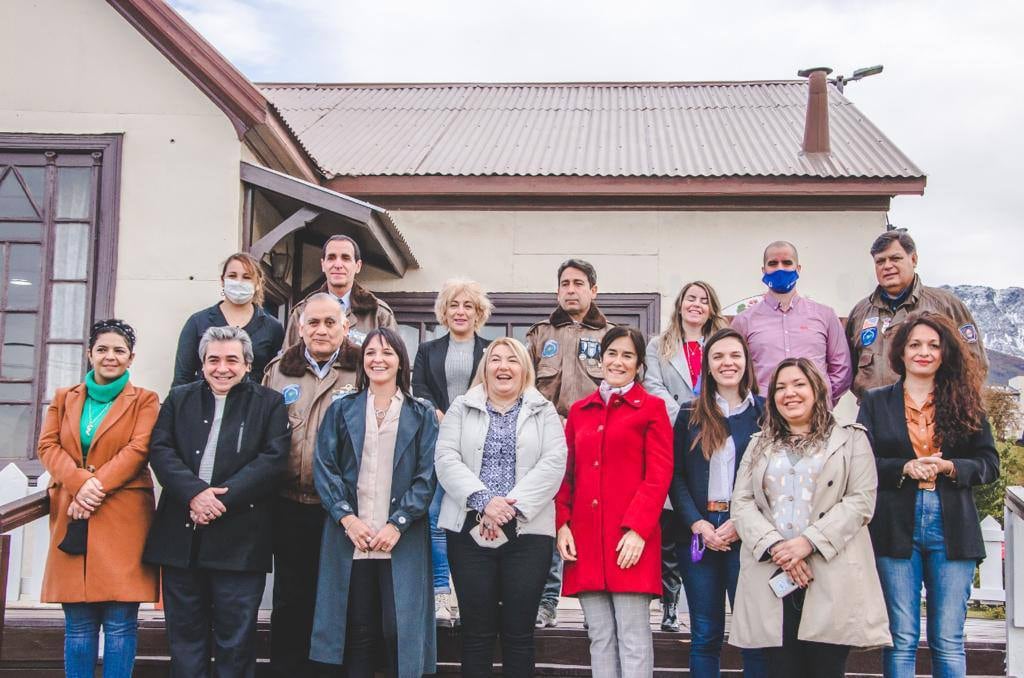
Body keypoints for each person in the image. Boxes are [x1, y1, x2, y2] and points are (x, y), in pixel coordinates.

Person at [857, 311, 999, 677]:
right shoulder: (875, 401)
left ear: (945, 352)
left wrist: (950, 467)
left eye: (933, 346)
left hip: (951, 523)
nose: (924, 352)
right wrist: (904, 467)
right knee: (901, 636)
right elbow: (863, 462)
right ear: (901, 352)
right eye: (915, 345)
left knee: (948, 638)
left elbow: (988, 464)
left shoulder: (966, 402)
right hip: (895, 522)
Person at [144, 326, 290, 678]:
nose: (221, 368)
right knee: (185, 638)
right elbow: (161, 450)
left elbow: (273, 459)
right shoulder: (179, 399)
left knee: (235, 641)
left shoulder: (268, 403)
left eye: (231, 360)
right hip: (182, 539)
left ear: (247, 365)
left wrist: (220, 499)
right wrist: (194, 493)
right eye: (213, 360)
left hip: (240, 542)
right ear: (202, 363)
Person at [730, 357, 890, 678]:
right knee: (780, 668)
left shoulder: (849, 438)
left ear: (817, 388)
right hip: (773, 573)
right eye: (781, 387)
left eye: (799, 384)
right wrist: (778, 547)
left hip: (830, 572)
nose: (790, 393)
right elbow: (742, 502)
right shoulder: (759, 444)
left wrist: (807, 543)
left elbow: (860, 501)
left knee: (825, 669)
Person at [310, 328, 438, 677]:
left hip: (400, 537)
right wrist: (347, 519)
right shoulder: (342, 410)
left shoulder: (420, 413)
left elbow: (428, 476)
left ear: (401, 362)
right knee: (358, 628)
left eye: (387, 353)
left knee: (399, 630)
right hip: (352, 537)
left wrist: (398, 522)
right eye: (370, 353)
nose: (378, 360)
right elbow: (324, 468)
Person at [434, 337, 567, 677]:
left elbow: (554, 462)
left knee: (519, 633)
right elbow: (446, 458)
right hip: (468, 532)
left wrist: (509, 508)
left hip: (528, 535)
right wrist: (484, 501)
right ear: (485, 368)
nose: (503, 366)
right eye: (495, 359)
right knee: (476, 633)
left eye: (513, 360)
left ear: (525, 370)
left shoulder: (544, 410)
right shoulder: (461, 407)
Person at [37, 320, 160, 678]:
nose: (110, 356)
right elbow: (48, 445)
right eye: (102, 349)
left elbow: (139, 449)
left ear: (131, 357)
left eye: (119, 350)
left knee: (121, 621)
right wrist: (78, 482)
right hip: (72, 514)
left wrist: (93, 488)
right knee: (78, 623)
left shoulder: (146, 400)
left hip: (123, 516)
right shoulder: (65, 398)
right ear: (90, 353)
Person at [556, 326, 673, 678]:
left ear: (638, 364)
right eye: (612, 353)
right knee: (601, 637)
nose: (618, 361)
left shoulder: (652, 409)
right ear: (601, 357)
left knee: (634, 639)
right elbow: (566, 474)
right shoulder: (580, 410)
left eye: (627, 355)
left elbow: (659, 475)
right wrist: (562, 523)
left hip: (631, 543)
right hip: (586, 541)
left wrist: (638, 530)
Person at [262, 293, 360, 677]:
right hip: (288, 501)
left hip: (340, 508)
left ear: (345, 327)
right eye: (313, 323)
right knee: (290, 598)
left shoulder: (362, 369)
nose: (321, 330)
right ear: (299, 328)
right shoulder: (278, 370)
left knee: (337, 597)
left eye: (330, 323)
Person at [669, 328, 766, 678]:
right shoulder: (689, 414)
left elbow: (771, 479)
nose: (727, 363)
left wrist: (741, 523)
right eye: (718, 357)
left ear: (746, 363)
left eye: (735, 356)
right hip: (700, 532)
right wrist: (697, 522)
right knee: (705, 634)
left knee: (753, 634)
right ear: (707, 367)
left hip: (749, 535)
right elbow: (675, 476)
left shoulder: (765, 414)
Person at [526, 257, 614, 628]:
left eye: (579, 283)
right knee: (548, 516)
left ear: (593, 290)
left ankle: (598, 593)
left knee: (593, 514)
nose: (571, 290)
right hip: (548, 436)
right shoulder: (540, 335)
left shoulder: (611, 336)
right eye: (565, 284)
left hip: (597, 440)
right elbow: (523, 386)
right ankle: (547, 600)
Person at [644, 280, 727, 631]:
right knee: (674, 522)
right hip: (674, 432)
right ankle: (669, 604)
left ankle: (708, 608)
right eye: (690, 298)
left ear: (711, 308)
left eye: (703, 300)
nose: (696, 304)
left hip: (715, 436)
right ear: (679, 305)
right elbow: (652, 385)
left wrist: (707, 416)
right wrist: (687, 414)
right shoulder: (658, 345)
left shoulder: (720, 345)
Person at [412, 278, 493, 624]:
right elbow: (419, 388)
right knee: (436, 516)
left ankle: (473, 594)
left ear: (479, 313)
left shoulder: (491, 350)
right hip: (440, 443)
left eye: (468, 306)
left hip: (479, 444)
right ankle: (441, 594)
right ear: (444, 312)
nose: (461, 312)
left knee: (477, 515)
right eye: (454, 305)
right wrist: (437, 412)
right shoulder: (427, 351)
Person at [846, 230, 988, 400]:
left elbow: (975, 362)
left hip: (932, 413)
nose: (887, 266)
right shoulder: (860, 313)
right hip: (874, 415)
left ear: (913, 259)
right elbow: (849, 369)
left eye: (895, 258)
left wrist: (955, 406)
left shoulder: (946, 306)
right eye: (880, 261)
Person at [730, 241, 851, 407]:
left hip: (816, 415)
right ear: (763, 270)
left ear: (798, 269)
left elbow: (842, 369)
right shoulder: (744, 321)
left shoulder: (825, 315)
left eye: (787, 263)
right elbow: (735, 370)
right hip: (763, 417)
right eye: (773, 263)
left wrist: (822, 400)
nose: (780, 268)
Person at [172, 252, 284, 387]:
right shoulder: (197, 322)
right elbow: (182, 378)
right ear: (222, 280)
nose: (239, 282)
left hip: (253, 404)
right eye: (232, 276)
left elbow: (276, 377)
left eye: (246, 277)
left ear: (258, 283)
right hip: (205, 403)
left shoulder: (273, 327)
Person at [285, 234, 397, 347]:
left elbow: (393, 360)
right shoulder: (302, 311)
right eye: (331, 258)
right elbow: (286, 361)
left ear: (358, 266)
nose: (338, 265)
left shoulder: (379, 314)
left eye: (345, 258)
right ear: (323, 265)